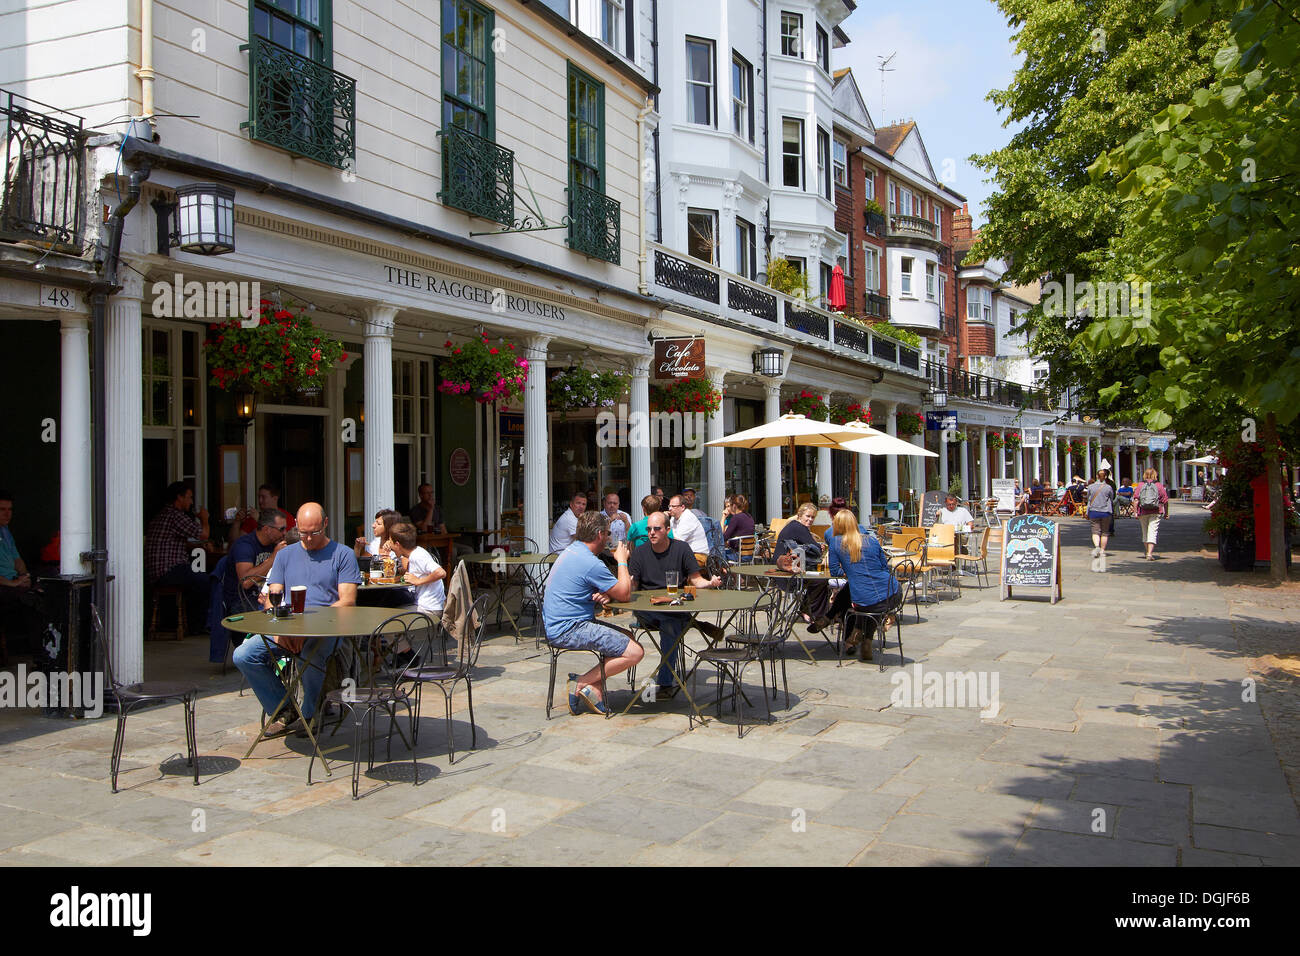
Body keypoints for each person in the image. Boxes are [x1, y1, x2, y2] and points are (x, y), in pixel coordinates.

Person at [232, 502, 361, 737]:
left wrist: (307, 629)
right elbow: (272, 597)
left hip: (327, 629)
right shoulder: (286, 555)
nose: (308, 539)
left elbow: (347, 601)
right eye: (303, 532)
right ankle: (284, 709)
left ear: (325, 524)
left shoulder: (343, 554)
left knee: (308, 655)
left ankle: (311, 714)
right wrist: (284, 628)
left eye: (314, 532)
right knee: (244, 655)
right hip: (288, 624)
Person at [542, 511, 641, 715]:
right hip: (569, 629)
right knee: (635, 651)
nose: (608, 537)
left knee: (628, 637)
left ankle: (593, 688)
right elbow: (624, 593)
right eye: (607, 533)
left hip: (560, 624)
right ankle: (580, 682)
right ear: (598, 534)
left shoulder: (573, 551)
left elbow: (597, 585)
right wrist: (622, 560)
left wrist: (604, 592)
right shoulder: (590, 562)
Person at [628, 512, 720, 696]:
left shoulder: (682, 549)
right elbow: (633, 586)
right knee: (672, 625)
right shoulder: (640, 552)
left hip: (674, 605)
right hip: (648, 609)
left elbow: (696, 579)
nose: (651, 533)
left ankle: (689, 623)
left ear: (667, 530)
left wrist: (710, 583)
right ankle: (665, 683)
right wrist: (624, 574)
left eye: (657, 529)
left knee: (672, 621)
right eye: (649, 529)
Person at [825, 510, 900, 661]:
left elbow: (834, 571)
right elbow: (884, 567)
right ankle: (866, 641)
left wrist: (851, 572)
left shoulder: (835, 542)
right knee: (872, 605)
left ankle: (855, 632)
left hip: (865, 599)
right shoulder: (872, 540)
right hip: (892, 592)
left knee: (863, 601)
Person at [144, 480, 211, 628]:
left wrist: (196, 546)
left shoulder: (163, 514)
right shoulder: (175, 515)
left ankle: (188, 622)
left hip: (155, 573)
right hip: (168, 571)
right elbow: (203, 534)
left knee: (196, 579)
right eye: (189, 497)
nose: (191, 501)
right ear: (179, 497)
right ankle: (198, 625)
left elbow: (172, 542)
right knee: (205, 580)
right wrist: (204, 519)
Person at [0, 491, 45, 655]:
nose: (7, 513)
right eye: (2, 509)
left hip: (14, 582)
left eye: (10, 509)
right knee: (31, 601)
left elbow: (17, 560)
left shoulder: (5, 531)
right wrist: (13, 583)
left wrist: (25, 577)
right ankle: (40, 655)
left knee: (45, 585)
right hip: (4, 585)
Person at [776, 502, 831, 627]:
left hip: (789, 567)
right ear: (800, 515)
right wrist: (819, 546)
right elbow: (815, 547)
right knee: (821, 580)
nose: (810, 519)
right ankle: (810, 612)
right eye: (808, 516)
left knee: (821, 580)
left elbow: (812, 546)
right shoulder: (798, 527)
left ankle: (812, 611)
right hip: (787, 573)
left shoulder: (795, 526)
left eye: (812, 517)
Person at [388, 521, 447, 616]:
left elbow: (441, 573)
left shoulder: (418, 556)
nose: (389, 545)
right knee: (391, 605)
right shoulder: (412, 554)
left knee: (391, 616)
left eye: (390, 542)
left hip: (430, 610)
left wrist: (418, 581)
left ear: (397, 544)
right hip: (422, 604)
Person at [1133, 467, 1170, 561]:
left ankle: (1148, 552)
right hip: (1156, 511)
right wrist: (1166, 513)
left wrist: (1135, 512)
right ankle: (1149, 553)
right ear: (1155, 475)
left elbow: (1136, 500)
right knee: (1153, 532)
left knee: (1145, 532)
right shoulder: (1159, 485)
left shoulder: (1140, 485)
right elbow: (1165, 500)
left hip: (1142, 511)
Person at [1085, 468, 1116, 571]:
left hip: (1093, 510)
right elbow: (1111, 498)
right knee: (1105, 532)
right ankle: (1102, 550)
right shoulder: (1108, 487)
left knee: (1095, 531)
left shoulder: (1091, 487)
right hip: (1105, 511)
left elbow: (1088, 498)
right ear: (1105, 476)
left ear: (1097, 476)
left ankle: (1096, 546)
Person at [667, 494, 709, 558]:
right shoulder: (673, 518)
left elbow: (678, 541)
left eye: (673, 506)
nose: (670, 509)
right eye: (669, 506)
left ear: (682, 507)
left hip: (698, 555)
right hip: (686, 553)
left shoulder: (688, 518)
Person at [722, 493, 755, 561]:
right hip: (750, 555)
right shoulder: (749, 516)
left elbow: (725, 537)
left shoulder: (736, 518)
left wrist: (723, 517)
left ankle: (723, 571)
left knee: (715, 554)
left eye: (730, 506)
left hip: (738, 555)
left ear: (734, 506)